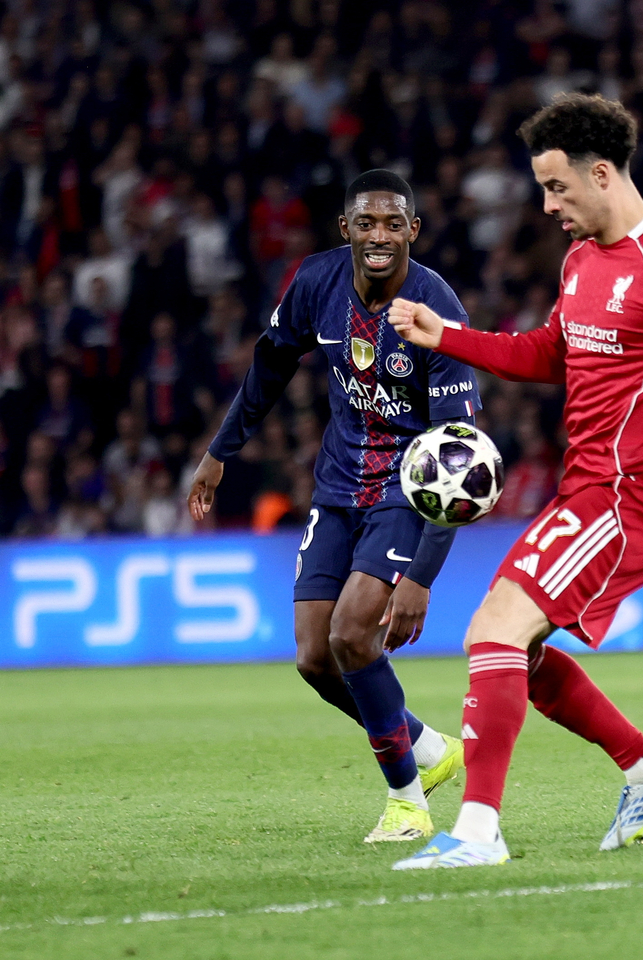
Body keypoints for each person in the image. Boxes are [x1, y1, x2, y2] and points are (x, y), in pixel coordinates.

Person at [385, 94, 643, 870]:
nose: (547, 204)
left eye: (557, 187)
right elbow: (552, 353)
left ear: (602, 174)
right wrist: (450, 338)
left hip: (640, 498)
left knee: (493, 631)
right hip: (590, 493)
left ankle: (476, 833)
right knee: (515, 654)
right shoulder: (581, 259)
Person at [187, 170, 479, 843]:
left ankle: (408, 805)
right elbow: (270, 364)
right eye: (366, 222)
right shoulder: (316, 283)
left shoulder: (435, 305)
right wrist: (219, 450)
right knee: (315, 658)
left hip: (407, 492)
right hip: (338, 487)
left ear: (413, 231)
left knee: (354, 635)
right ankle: (427, 751)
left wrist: (422, 578)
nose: (379, 235)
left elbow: (458, 452)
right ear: (345, 228)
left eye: (393, 223)